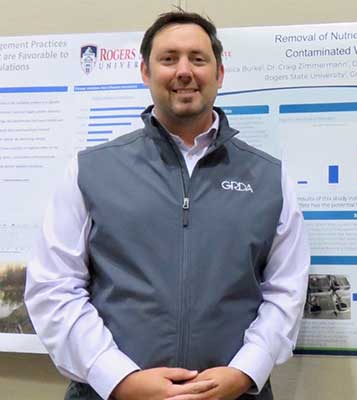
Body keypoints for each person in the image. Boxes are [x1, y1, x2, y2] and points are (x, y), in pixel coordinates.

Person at [24, 11, 309, 400]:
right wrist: (119, 378)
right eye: (169, 58)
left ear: (220, 73)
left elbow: (286, 289)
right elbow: (53, 288)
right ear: (145, 71)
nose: (184, 71)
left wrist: (246, 371)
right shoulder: (90, 170)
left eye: (198, 58)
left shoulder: (268, 177)